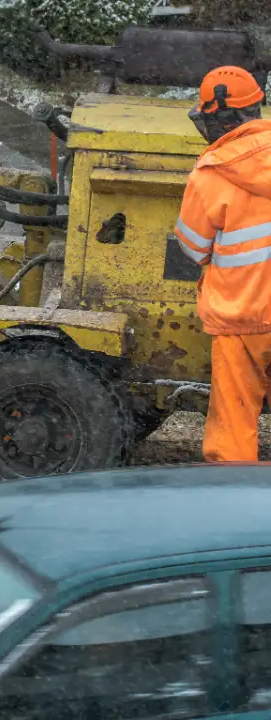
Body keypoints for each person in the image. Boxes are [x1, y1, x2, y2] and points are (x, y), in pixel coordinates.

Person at [175, 66, 271, 462]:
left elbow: (193, 246)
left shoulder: (210, 174)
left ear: (216, 118)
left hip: (241, 319)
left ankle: (236, 507)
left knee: (233, 423)